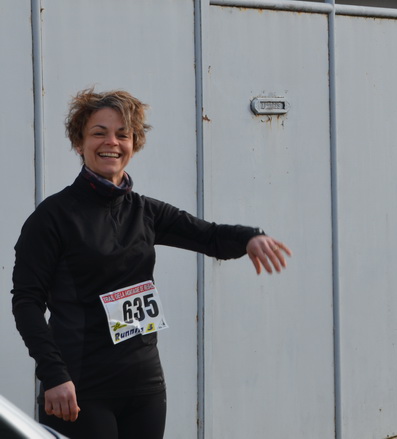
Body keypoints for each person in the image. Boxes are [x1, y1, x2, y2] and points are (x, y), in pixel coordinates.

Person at [11, 88, 292, 439]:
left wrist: (251, 237)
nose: (111, 142)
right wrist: (53, 375)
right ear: (79, 141)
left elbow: (209, 236)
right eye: (98, 132)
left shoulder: (144, 211)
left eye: (123, 134)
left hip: (144, 386)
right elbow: (26, 302)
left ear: (134, 143)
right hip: (80, 387)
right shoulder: (52, 217)